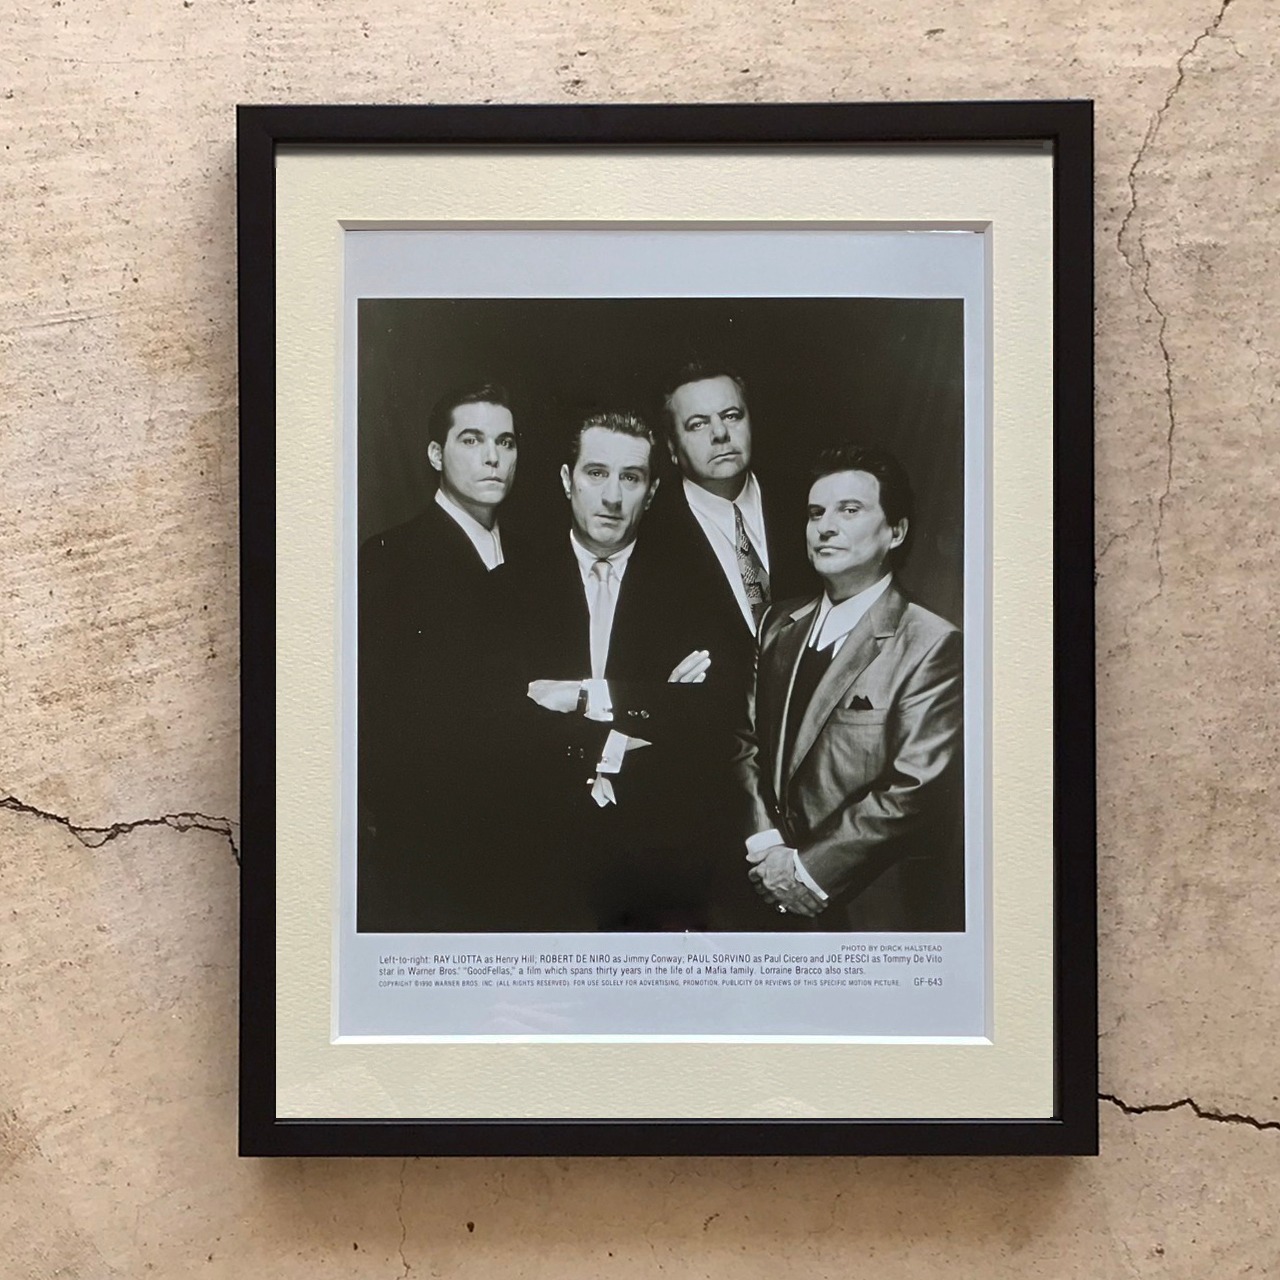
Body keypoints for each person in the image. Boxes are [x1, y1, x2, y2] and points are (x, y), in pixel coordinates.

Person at [506, 410, 729, 931]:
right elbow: (505, 723)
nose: (612, 496)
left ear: (651, 493)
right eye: (596, 473)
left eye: (630, 478)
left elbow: (706, 723)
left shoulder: (696, 591)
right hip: (538, 856)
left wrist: (585, 697)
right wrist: (650, 706)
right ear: (568, 480)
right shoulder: (509, 588)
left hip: (659, 867)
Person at [733, 442, 964, 932]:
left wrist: (807, 870)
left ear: (896, 531)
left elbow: (914, 787)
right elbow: (745, 742)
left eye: (850, 510)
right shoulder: (777, 625)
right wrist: (767, 847)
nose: (825, 526)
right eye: (816, 512)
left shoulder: (931, 641)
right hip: (765, 895)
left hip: (868, 910)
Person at [357, 380, 519, 931]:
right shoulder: (391, 558)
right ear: (435, 454)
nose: (493, 457)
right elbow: (379, 720)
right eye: (472, 440)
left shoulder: (535, 555)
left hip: (524, 841)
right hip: (431, 850)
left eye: (505, 442)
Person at [648, 360, 811, 692]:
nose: (720, 433)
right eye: (697, 424)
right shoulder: (648, 533)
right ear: (672, 447)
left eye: (732, 416)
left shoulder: (805, 505)